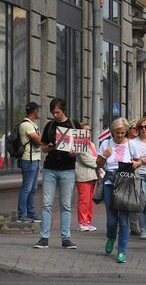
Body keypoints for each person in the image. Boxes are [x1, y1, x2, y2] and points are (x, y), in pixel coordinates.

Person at [33, 98, 81, 250]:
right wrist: (51, 147)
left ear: (64, 110)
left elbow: (80, 148)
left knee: (66, 205)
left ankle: (66, 238)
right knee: (47, 204)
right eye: (53, 113)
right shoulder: (50, 126)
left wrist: (75, 151)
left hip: (68, 168)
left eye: (58, 112)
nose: (55, 115)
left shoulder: (74, 125)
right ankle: (44, 238)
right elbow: (43, 148)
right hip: (51, 168)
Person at [96, 117, 142, 263]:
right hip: (110, 183)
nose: (120, 135)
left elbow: (139, 161)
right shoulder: (106, 144)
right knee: (111, 220)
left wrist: (134, 164)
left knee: (123, 220)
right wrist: (105, 156)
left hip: (126, 184)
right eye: (117, 133)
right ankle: (111, 236)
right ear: (112, 132)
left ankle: (122, 251)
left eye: (122, 132)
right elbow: (98, 164)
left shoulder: (132, 145)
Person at [17, 102, 43, 223]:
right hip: (28, 160)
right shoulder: (26, 124)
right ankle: (22, 215)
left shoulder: (33, 124)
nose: (39, 112)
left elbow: (40, 139)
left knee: (32, 188)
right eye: (38, 110)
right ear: (35, 111)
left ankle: (31, 213)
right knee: (26, 188)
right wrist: (41, 138)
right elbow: (38, 141)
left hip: (35, 159)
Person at [75, 123, 98, 232]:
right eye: (85, 130)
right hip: (83, 175)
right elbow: (85, 158)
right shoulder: (79, 143)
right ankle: (82, 222)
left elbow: (95, 157)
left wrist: (98, 162)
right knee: (83, 200)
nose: (88, 132)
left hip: (92, 175)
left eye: (89, 130)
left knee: (90, 201)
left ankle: (88, 221)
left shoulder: (92, 144)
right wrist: (98, 163)